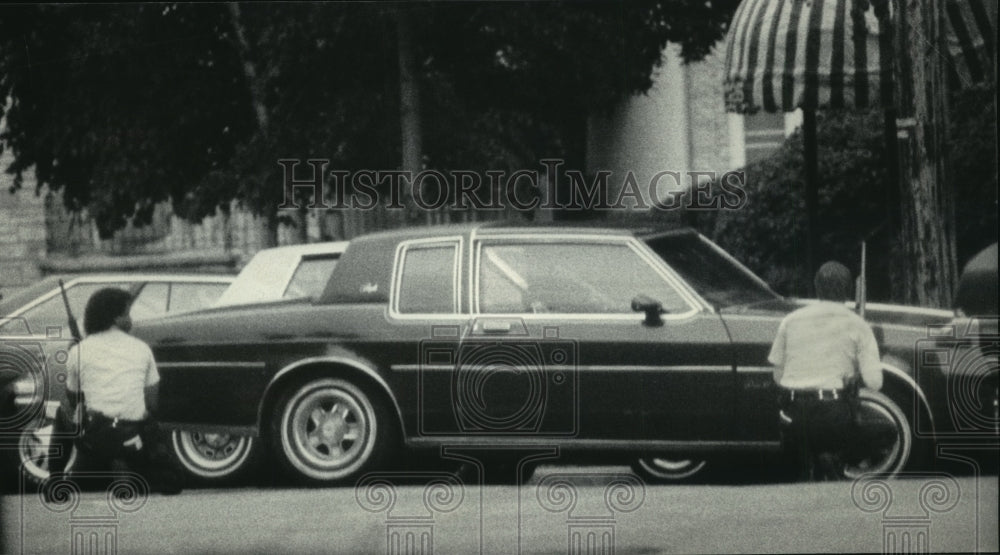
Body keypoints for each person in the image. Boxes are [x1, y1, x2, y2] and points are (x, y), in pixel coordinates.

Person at [768, 261, 883, 481]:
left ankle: (807, 463)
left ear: (816, 288)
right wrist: (854, 371)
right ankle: (840, 460)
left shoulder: (790, 320)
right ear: (849, 291)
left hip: (793, 417)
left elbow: (777, 376)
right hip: (832, 417)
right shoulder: (858, 324)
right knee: (886, 431)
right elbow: (875, 382)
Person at [59, 288, 180, 494]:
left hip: (95, 438)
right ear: (115, 318)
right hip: (135, 436)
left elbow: (73, 399)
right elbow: (152, 404)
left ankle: (56, 478)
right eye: (127, 314)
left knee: (61, 413)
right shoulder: (141, 348)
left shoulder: (78, 351)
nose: (130, 320)